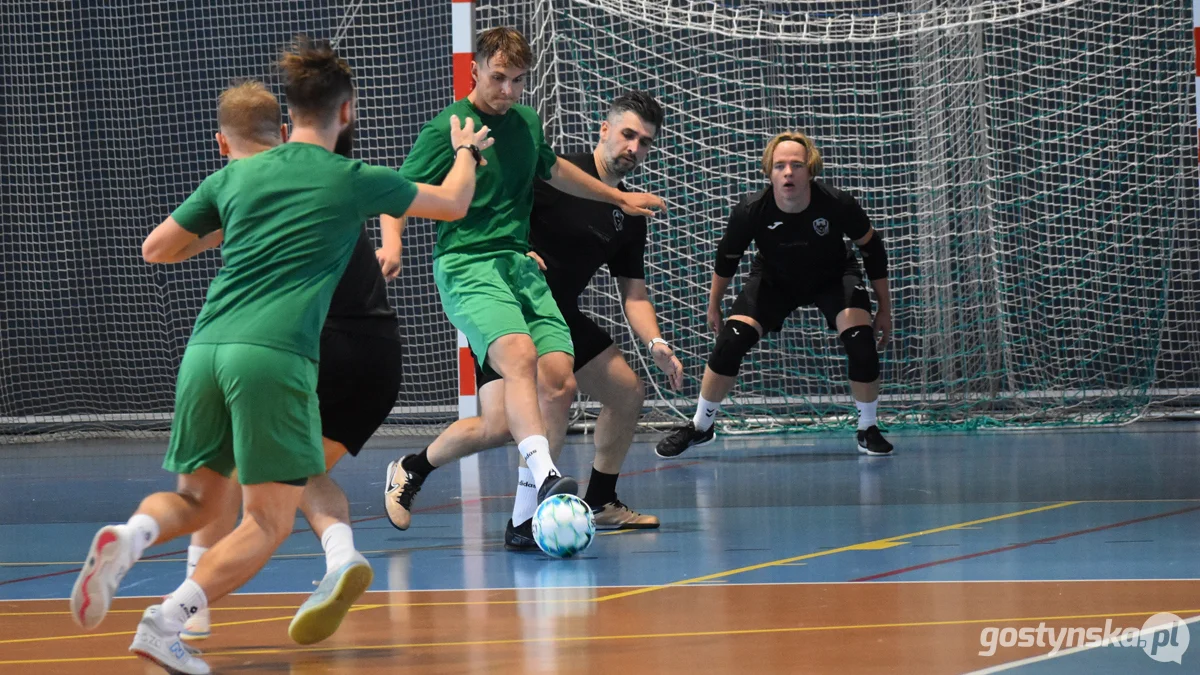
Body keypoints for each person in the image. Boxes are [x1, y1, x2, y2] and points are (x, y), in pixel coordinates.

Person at [68, 36, 492, 675]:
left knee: (202, 504)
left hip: (205, 349)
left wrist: (235, 232)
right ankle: (164, 622)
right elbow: (453, 203)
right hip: (273, 356)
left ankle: (131, 537)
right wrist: (465, 151)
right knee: (266, 520)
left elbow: (157, 248)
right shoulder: (351, 179)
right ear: (346, 114)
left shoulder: (234, 174)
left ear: (287, 114)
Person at [380, 28, 666, 547]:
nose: (508, 91)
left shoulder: (527, 122)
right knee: (517, 362)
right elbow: (396, 192)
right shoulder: (448, 127)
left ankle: (516, 520)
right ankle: (545, 477)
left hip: (520, 272)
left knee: (557, 384)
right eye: (498, 79)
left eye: (517, 81)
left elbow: (551, 169)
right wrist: (393, 245)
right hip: (471, 267)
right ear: (475, 69)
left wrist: (618, 201)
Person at [154, 80, 407, 646]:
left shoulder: (251, 188)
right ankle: (341, 553)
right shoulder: (333, 175)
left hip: (316, 347)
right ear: (288, 133)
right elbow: (400, 192)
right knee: (299, 472)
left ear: (223, 144)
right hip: (379, 359)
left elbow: (161, 246)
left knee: (234, 471)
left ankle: (188, 606)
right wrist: (393, 241)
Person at [655, 131, 894, 459]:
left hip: (834, 277)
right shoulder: (752, 211)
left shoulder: (838, 204)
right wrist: (714, 305)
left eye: (797, 164)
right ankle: (700, 426)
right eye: (780, 165)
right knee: (729, 343)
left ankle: (867, 428)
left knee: (861, 343)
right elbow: (727, 259)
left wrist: (884, 309)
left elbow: (873, 251)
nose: (788, 172)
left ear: (811, 170)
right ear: (769, 171)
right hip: (774, 280)